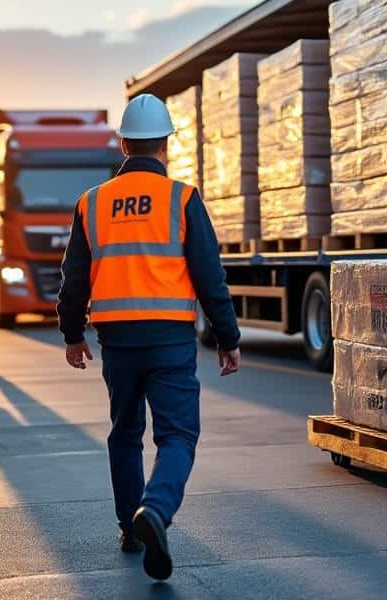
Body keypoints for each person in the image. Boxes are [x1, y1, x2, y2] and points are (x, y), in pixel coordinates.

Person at [57, 94, 241, 582]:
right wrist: (228, 336)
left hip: (116, 341)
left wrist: (72, 334)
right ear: (165, 146)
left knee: (124, 433)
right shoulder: (182, 198)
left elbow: (73, 278)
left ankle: (131, 530)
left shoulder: (91, 202)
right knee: (177, 435)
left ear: (123, 144)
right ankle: (155, 509)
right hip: (169, 339)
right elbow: (210, 275)